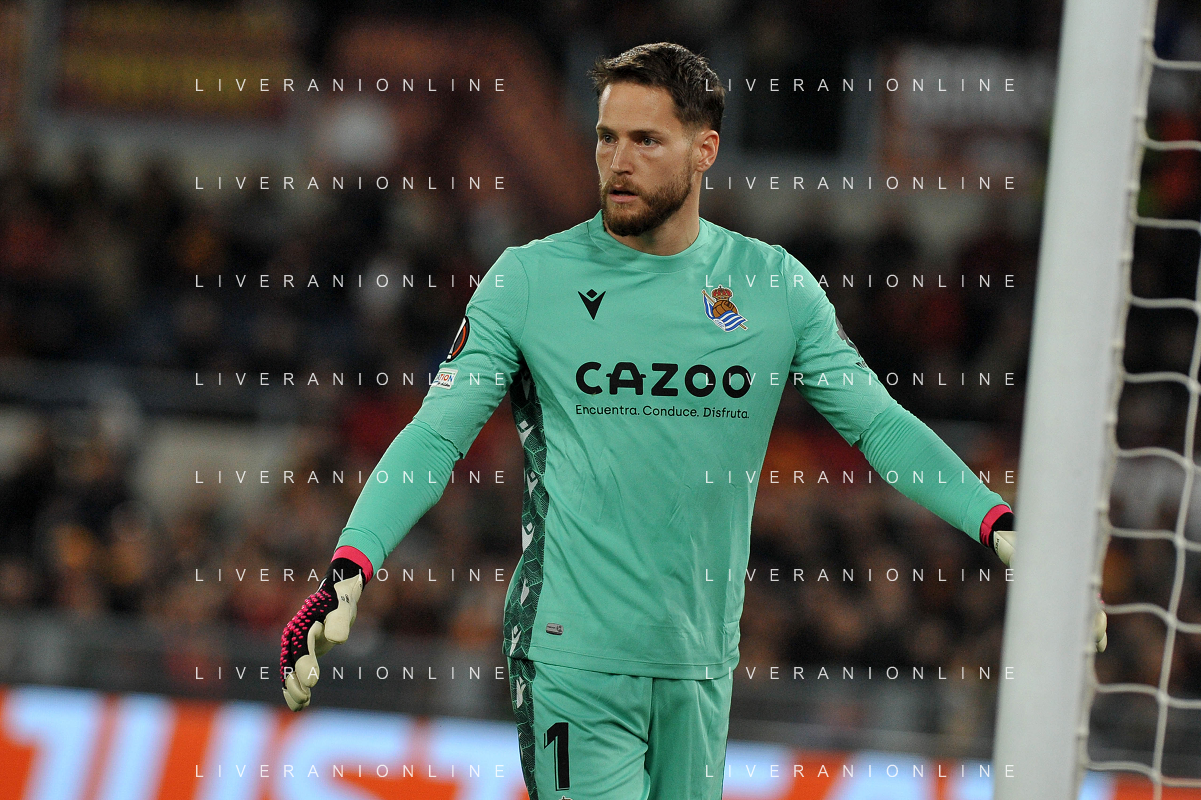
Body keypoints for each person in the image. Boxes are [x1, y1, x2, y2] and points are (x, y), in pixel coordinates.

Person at [280, 41, 1104, 800]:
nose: (618, 161)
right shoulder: (528, 281)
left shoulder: (773, 286)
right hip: (572, 654)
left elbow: (878, 427)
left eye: (646, 140)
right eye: (606, 138)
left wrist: (999, 524)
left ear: (703, 150)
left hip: (701, 663)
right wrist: (348, 566)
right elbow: (435, 437)